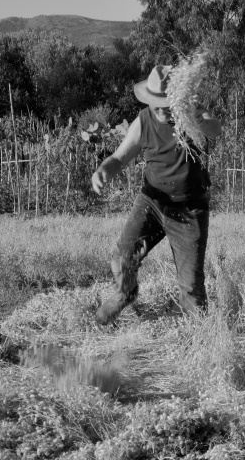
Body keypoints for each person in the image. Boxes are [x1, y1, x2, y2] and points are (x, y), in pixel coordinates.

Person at [91, 65, 222, 325]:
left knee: (191, 289)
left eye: (166, 103)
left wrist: (194, 117)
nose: (160, 109)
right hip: (152, 202)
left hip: (189, 211)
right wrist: (104, 170)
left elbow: (214, 130)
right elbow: (119, 157)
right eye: (155, 104)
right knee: (123, 258)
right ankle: (125, 294)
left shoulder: (193, 115)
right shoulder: (144, 121)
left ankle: (201, 342)